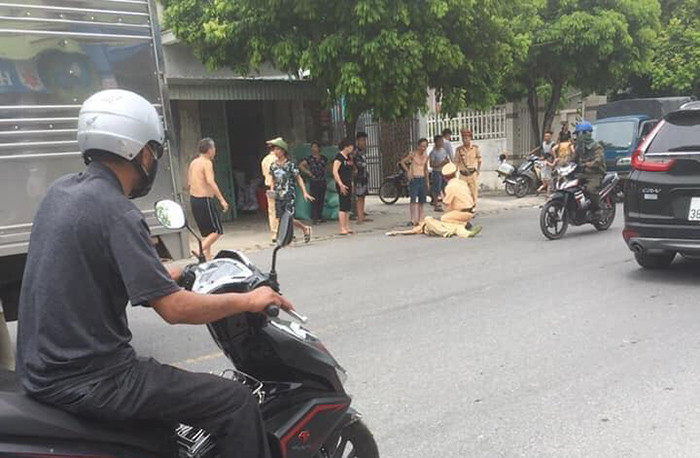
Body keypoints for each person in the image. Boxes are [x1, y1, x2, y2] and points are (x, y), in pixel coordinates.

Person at [16, 89, 293, 458]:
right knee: (235, 402)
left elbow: (91, 266)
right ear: (143, 153)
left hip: (42, 371)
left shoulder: (62, 192)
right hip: (95, 379)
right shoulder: (117, 211)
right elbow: (175, 310)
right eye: (155, 153)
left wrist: (165, 274)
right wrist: (249, 300)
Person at [187, 138, 228, 260]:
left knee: (207, 232)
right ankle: (199, 250)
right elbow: (210, 181)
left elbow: (188, 183)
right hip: (204, 199)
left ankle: (207, 255)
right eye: (214, 148)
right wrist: (222, 199)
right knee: (216, 231)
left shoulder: (193, 163)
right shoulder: (206, 163)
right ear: (210, 150)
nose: (215, 151)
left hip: (194, 200)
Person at [268, 137, 314, 243]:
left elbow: (298, 178)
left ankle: (292, 234)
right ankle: (301, 230)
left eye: (278, 149)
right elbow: (273, 180)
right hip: (278, 195)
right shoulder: (273, 166)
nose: (275, 152)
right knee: (281, 218)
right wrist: (271, 191)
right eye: (274, 149)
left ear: (283, 151)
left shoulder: (290, 165)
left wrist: (305, 192)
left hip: (289, 194)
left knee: (288, 217)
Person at [573, 121, 606, 215]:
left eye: (578, 134)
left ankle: (597, 208)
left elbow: (599, 160)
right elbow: (573, 159)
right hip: (582, 173)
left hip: (595, 173)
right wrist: (561, 164)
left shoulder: (597, 146)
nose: (577, 137)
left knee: (590, 189)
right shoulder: (579, 147)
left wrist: (589, 164)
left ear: (586, 133)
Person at [440, 163, 480, 232]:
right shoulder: (462, 182)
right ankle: (463, 223)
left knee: (444, 219)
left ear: (445, 178)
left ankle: (464, 224)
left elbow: (446, 203)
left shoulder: (450, 186)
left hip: (462, 212)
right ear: (455, 174)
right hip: (470, 210)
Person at [400, 138, 430, 226]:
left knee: (422, 200)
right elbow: (402, 162)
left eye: (424, 146)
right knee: (413, 199)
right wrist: (408, 171)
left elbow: (425, 169)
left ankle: (420, 218)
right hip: (414, 178)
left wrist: (427, 181)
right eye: (421, 146)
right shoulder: (413, 155)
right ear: (418, 146)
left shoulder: (426, 157)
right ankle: (413, 219)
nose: (423, 148)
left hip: (422, 178)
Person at [299, 141, 328, 224]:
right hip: (314, 180)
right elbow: (301, 165)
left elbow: (326, 167)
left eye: (315, 147)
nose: (313, 149)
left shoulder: (323, 158)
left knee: (321, 199)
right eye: (312, 147)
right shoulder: (309, 159)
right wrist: (308, 172)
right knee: (314, 199)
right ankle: (315, 218)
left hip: (322, 180)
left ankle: (319, 216)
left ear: (319, 148)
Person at [332, 138, 355, 235]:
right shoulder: (339, 157)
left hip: (349, 182)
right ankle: (342, 227)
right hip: (342, 183)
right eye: (350, 147)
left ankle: (347, 226)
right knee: (343, 205)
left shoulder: (349, 157)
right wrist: (340, 184)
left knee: (348, 206)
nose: (352, 148)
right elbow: (335, 171)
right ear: (346, 147)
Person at [455, 128, 482, 205]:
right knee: (463, 193)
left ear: (470, 138)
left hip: (472, 174)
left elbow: (479, 159)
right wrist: (455, 172)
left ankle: (472, 207)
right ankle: (466, 207)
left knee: (473, 193)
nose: (465, 140)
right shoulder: (459, 150)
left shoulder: (475, 148)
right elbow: (456, 162)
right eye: (463, 138)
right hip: (462, 175)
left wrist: (478, 170)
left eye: (466, 138)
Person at [261, 140, 279, 241]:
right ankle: (283, 231)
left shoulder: (265, 160)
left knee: (272, 211)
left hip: (268, 187)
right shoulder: (278, 159)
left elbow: (264, 174)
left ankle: (274, 234)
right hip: (278, 187)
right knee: (282, 210)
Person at [353, 132, 372, 224]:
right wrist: (355, 169)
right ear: (357, 141)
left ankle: (362, 215)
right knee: (359, 197)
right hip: (358, 178)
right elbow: (351, 162)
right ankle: (359, 217)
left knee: (363, 196)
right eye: (361, 140)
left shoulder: (363, 152)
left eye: (364, 140)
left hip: (364, 176)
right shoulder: (355, 152)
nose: (363, 142)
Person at [429, 135, 450, 210]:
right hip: (437, 172)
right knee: (437, 188)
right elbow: (431, 164)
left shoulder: (443, 150)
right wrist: (441, 164)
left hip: (444, 171)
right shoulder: (433, 153)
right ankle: (436, 204)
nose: (442, 143)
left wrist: (447, 163)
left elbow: (446, 159)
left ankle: (447, 203)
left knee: (445, 187)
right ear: (436, 142)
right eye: (440, 141)